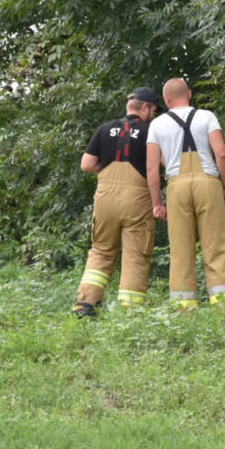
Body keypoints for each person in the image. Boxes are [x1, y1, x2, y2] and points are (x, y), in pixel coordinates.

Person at [72, 87, 164, 318]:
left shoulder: (104, 129)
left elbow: (86, 164)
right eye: (154, 110)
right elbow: (160, 163)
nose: (154, 114)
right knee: (136, 254)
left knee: (101, 250)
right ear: (145, 107)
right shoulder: (151, 130)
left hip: (105, 197)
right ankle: (129, 311)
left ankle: (85, 304)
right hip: (138, 198)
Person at [146, 78, 225, 308]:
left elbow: (152, 168)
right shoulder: (207, 116)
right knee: (215, 247)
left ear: (166, 100)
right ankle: (223, 307)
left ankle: (184, 310)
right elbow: (222, 154)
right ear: (190, 94)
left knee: (181, 251)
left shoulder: (157, 125)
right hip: (208, 183)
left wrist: (157, 202)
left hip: (177, 186)